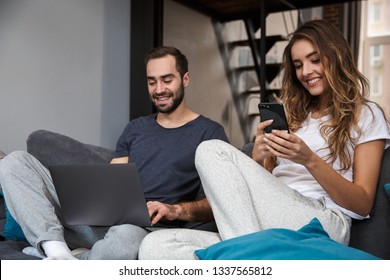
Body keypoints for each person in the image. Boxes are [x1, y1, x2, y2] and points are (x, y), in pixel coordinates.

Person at [138, 19, 390, 259]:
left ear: (335, 57)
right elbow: (257, 193)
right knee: (154, 247)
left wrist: (309, 160)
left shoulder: (366, 114)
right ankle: (256, 257)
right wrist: (259, 159)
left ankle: (248, 257)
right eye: (299, 65)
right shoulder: (294, 116)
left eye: (315, 60)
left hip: (322, 222)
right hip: (268, 224)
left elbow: (362, 203)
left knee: (211, 150)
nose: (306, 71)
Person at [0, 46, 229, 259]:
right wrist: (88, 197)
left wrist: (174, 209)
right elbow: (113, 182)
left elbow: (218, 203)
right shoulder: (135, 128)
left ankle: (71, 257)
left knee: (126, 237)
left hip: (140, 231)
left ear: (185, 79)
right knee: (14, 162)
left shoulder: (209, 133)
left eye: (167, 80)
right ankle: (56, 249)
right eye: (152, 82)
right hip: (97, 225)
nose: (159, 90)